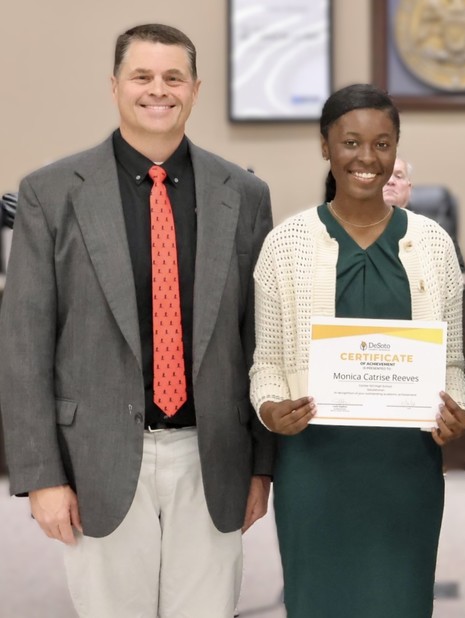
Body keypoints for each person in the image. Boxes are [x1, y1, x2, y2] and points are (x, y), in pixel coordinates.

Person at [0, 23, 273, 617]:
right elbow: (23, 345)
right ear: (115, 86)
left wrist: (261, 466)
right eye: (142, 76)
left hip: (213, 454)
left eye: (174, 77)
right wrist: (40, 476)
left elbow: (260, 340)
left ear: (195, 89)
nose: (159, 90)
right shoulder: (49, 194)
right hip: (95, 454)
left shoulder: (245, 194)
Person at [249, 83, 465, 617]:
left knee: (401, 602)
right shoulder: (287, 244)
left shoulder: (434, 244)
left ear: (396, 149)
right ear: (325, 146)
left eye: (382, 143)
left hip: (405, 468)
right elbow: (268, 362)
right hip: (315, 466)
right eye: (351, 142)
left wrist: (454, 410)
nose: (367, 158)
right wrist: (271, 409)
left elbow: (453, 362)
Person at [385, 156, 465, 271]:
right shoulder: (359, 228)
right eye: (384, 175)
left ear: (409, 189)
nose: (390, 181)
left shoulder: (436, 231)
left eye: (398, 176)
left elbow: (458, 276)